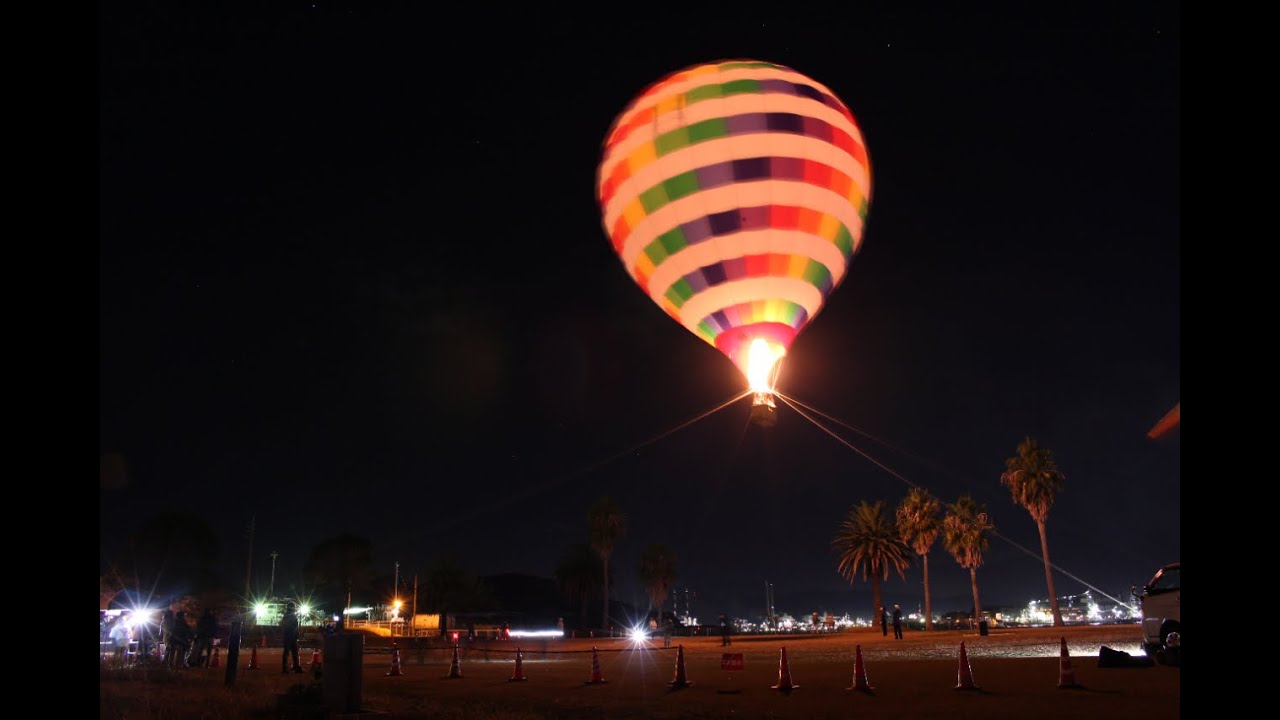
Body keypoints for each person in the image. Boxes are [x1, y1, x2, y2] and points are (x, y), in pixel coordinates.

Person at [281, 605, 302, 673]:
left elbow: (284, 626)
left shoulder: (286, 616)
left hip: (287, 636)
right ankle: (295, 668)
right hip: (291, 636)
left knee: (288, 652)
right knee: (294, 652)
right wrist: (296, 634)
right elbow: (295, 627)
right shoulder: (292, 616)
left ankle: (286, 668)